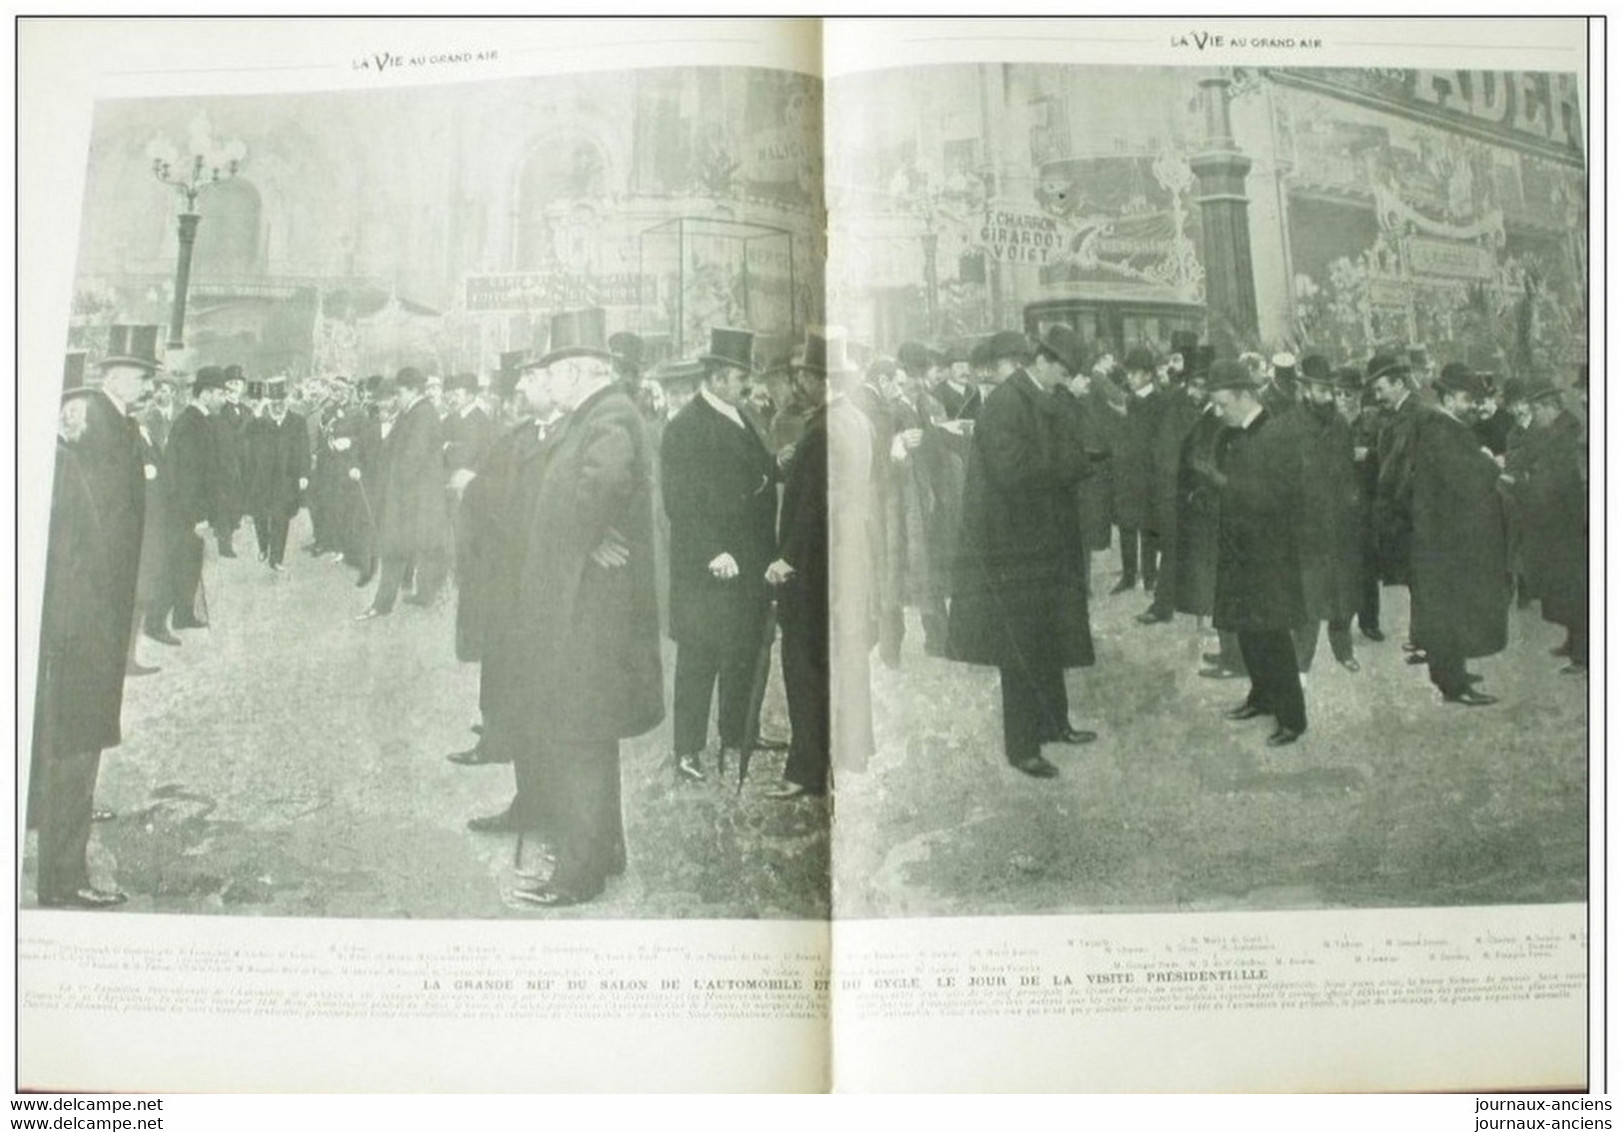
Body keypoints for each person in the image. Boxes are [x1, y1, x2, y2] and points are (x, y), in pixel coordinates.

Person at [470, 314, 664, 907]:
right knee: (591, 737)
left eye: (556, 371)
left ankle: (578, 874)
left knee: (581, 737)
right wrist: (590, 534)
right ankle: (603, 851)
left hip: (591, 612)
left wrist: (584, 536)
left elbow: (604, 480)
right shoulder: (602, 412)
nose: (551, 381)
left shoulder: (605, 415)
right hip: (588, 604)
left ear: (582, 372)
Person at [33, 325, 158, 908]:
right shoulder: (87, 436)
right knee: (75, 734)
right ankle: (62, 878)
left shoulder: (112, 427)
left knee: (70, 735)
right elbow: (81, 542)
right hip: (81, 615)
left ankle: (59, 834)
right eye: (136, 374)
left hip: (91, 609)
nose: (145, 384)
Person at [947, 327, 1098, 779]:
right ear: (1044, 361)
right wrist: (1073, 465)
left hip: (1045, 538)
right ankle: (1022, 746)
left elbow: (1066, 445)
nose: (1067, 381)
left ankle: (1054, 724)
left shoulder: (1045, 397)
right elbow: (1013, 473)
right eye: (1065, 372)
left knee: (1049, 634)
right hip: (1014, 545)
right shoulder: (1005, 404)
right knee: (1021, 644)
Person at [659, 327, 778, 783]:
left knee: (743, 649)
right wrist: (712, 552)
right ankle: (687, 750)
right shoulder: (684, 428)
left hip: (748, 559)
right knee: (699, 657)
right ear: (715, 377)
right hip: (706, 566)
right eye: (738, 377)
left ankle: (738, 733)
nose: (746, 385)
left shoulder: (742, 416)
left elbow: (754, 471)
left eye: (744, 377)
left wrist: (776, 466)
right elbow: (680, 502)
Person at [1200, 360, 1308, 746]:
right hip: (1239, 549)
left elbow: (1279, 497)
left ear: (1246, 396)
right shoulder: (1230, 433)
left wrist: (1222, 484)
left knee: (1272, 634)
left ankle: (1293, 717)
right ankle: (1261, 696)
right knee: (1247, 629)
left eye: (1222, 404)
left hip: (1268, 553)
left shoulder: (1275, 433)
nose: (1217, 412)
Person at [763, 334, 839, 799]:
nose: (799, 383)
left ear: (817, 380)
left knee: (802, 668)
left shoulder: (819, 434)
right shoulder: (830, 425)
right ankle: (821, 760)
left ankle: (805, 769)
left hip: (807, 571)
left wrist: (785, 560)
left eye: (804, 375)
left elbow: (808, 510)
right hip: (827, 567)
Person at [1408, 363, 1509, 705]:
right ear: (1450, 399)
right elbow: (1466, 481)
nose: (1473, 406)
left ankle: (1450, 673)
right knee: (1449, 611)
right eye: (1468, 399)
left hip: (1438, 536)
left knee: (1445, 609)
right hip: (1445, 540)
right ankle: (1454, 685)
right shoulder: (1443, 431)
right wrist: (1490, 463)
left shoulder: (1441, 427)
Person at [355, 367, 452, 619]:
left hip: (412, 497)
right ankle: (409, 597)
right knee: (404, 548)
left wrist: (390, 486)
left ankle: (386, 603)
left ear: (412, 390)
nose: (396, 397)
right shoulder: (412, 412)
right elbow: (391, 449)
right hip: (410, 496)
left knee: (400, 548)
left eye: (399, 392)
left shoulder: (422, 415)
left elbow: (411, 459)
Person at [1507, 378, 1587, 674]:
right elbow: (1528, 457)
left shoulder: (1570, 434)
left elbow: (1564, 480)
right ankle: (1573, 640)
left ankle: (1584, 655)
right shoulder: (1550, 431)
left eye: (1537, 408)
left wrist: (1526, 487)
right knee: (1563, 588)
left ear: (1551, 406)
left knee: (1576, 588)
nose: (1533, 415)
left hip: (1570, 524)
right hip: (1554, 523)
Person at [1292, 356, 1363, 674]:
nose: (1330, 396)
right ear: (1305, 389)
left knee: (1342, 592)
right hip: (1306, 523)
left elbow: (1348, 470)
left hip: (1340, 520)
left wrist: (1351, 501)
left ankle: (1343, 650)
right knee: (1308, 596)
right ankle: (1301, 661)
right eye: (1322, 389)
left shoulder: (1340, 424)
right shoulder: (1292, 426)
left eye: (1331, 390)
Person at [1109, 345, 1165, 595]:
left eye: (1135, 373)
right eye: (1128, 373)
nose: (1129, 378)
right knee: (1126, 524)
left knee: (1148, 526)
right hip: (1127, 473)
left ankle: (1150, 576)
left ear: (1149, 375)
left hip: (1149, 474)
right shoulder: (1129, 400)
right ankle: (1129, 575)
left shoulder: (1158, 402)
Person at [245, 378, 311, 571]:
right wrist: (259, 408)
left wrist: (304, 475)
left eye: (281, 403)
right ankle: (264, 546)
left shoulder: (297, 422)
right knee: (260, 516)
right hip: (262, 479)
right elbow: (245, 432)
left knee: (281, 517)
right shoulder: (262, 422)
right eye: (273, 404)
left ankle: (276, 559)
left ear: (287, 402)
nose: (277, 407)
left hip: (286, 479)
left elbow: (304, 450)